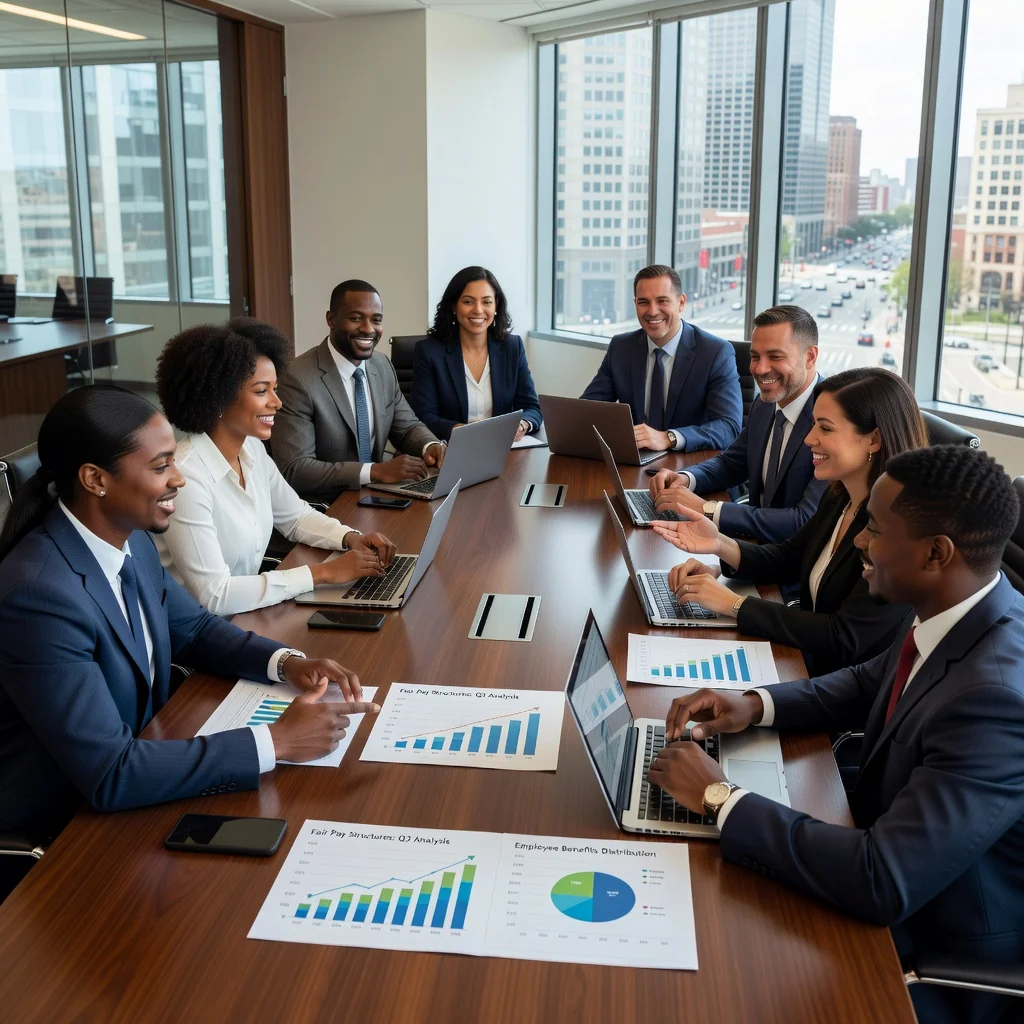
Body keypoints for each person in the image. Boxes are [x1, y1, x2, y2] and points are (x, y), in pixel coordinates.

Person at [649, 445, 1024, 1024]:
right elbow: (866, 682)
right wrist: (751, 705)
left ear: (934, 553)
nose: (858, 543)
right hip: (888, 859)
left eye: (874, 529)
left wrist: (720, 798)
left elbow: (883, 878)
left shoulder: (995, 698)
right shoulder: (964, 612)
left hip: (927, 952)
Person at [0, 386, 378, 897]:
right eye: (160, 467)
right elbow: (111, 773)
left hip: (148, 773)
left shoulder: (127, 535)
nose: (179, 477)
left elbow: (193, 629)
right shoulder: (39, 594)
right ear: (95, 479)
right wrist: (278, 741)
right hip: (72, 833)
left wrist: (287, 662)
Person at [653, 368, 926, 675]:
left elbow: (843, 637)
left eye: (825, 429)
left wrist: (734, 604)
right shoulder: (840, 496)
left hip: (834, 688)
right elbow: (787, 558)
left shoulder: (899, 530)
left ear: (873, 440)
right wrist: (719, 544)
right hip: (803, 660)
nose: (809, 439)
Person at [153, 319, 396, 616]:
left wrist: (349, 537)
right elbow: (214, 595)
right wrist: (324, 573)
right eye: (261, 391)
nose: (277, 402)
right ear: (218, 397)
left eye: (275, 389)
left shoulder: (250, 447)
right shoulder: (186, 477)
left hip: (251, 613)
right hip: (203, 634)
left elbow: (295, 517)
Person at [648, 304, 827, 544]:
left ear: (810, 356)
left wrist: (708, 509)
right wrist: (687, 478)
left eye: (775, 356)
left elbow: (804, 520)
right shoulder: (765, 404)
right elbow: (733, 462)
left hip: (794, 569)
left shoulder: (831, 421)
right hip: (752, 550)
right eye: (755, 357)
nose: (760, 369)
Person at [272, 280, 445, 504]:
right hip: (325, 506)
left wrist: (431, 446)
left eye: (376, 320)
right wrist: (374, 472)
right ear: (331, 320)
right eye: (356, 318)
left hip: (378, 496)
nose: (368, 328)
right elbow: (296, 468)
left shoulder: (382, 366)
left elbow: (407, 426)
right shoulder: (298, 377)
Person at [580, 264, 742, 453]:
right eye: (643, 302)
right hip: (636, 462)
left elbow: (728, 427)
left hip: (691, 467)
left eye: (662, 301)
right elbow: (587, 409)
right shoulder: (621, 347)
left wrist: (669, 438)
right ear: (635, 304)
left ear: (681, 302)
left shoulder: (715, 352)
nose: (652, 311)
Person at [410, 266, 542, 442]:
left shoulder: (512, 347)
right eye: (468, 301)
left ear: (496, 306)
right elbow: (423, 416)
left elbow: (532, 407)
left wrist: (522, 424)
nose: (478, 310)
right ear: (454, 307)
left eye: (486, 302)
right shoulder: (429, 352)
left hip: (503, 450)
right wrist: (462, 431)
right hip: (451, 448)